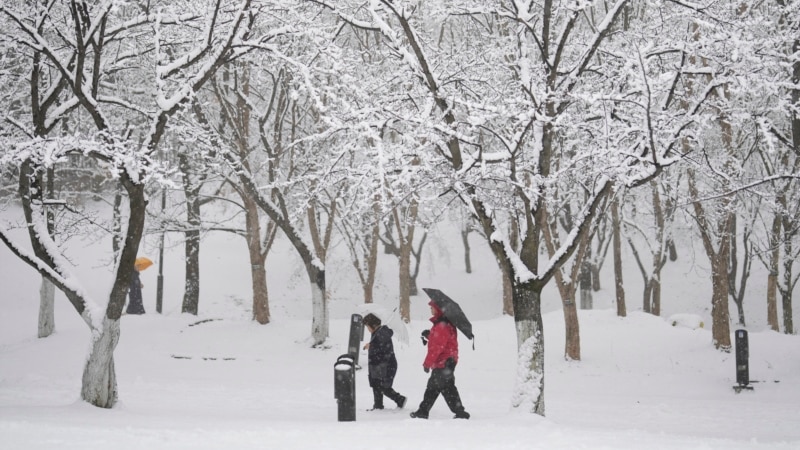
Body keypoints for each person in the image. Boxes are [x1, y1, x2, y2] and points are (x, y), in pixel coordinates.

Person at [410, 301, 470, 419]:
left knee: (440, 388)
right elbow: (443, 341)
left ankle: (458, 412)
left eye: (432, 308)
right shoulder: (444, 324)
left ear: (439, 309)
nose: (431, 310)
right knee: (440, 387)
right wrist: (429, 335)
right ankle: (425, 411)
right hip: (447, 361)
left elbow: (436, 348)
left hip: (444, 361)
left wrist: (427, 363)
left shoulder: (441, 325)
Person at [362, 313, 406, 410]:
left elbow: (383, 348)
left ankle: (400, 399)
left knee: (382, 386)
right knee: (376, 384)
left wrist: (371, 346)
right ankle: (378, 405)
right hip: (378, 365)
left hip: (386, 365)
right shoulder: (377, 332)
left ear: (372, 325)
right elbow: (378, 344)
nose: (367, 329)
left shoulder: (382, 333)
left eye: (367, 326)